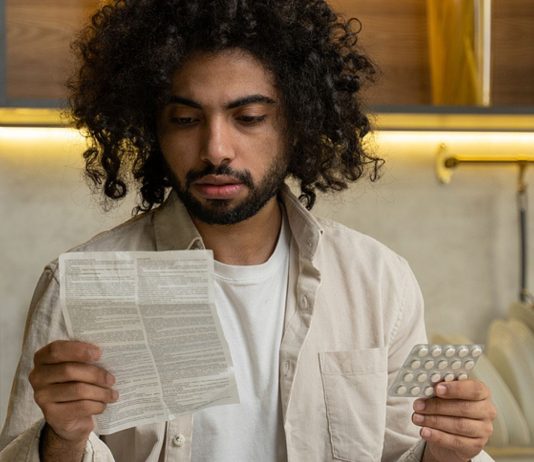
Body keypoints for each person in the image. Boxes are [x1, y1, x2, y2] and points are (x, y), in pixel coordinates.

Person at [0, 1, 496, 461]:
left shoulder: (379, 281)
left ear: (298, 122)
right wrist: (61, 439)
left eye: (250, 117)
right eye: (186, 118)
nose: (216, 149)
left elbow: (406, 450)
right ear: (153, 129)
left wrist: (447, 450)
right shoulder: (78, 284)